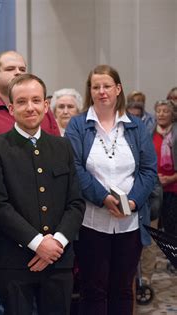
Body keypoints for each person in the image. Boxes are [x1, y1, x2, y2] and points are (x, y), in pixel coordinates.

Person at [0, 73, 85, 315]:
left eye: (36, 100)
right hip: (15, 261)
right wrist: (38, 244)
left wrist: (56, 243)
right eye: (22, 102)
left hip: (59, 259)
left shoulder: (62, 146)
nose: (30, 108)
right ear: (10, 108)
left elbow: (76, 202)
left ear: (46, 105)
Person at [65, 65, 157, 315]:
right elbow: (74, 168)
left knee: (123, 289)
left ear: (118, 89)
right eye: (96, 87)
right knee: (93, 290)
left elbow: (149, 170)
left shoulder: (136, 126)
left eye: (107, 86)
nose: (102, 91)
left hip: (130, 224)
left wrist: (134, 202)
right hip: (92, 222)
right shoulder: (78, 125)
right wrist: (104, 198)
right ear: (90, 91)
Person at [152, 99, 177, 236]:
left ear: (172, 114)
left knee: (171, 225)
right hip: (155, 186)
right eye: (158, 111)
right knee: (157, 224)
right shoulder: (150, 132)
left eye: (165, 111)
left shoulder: (175, 132)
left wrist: (171, 178)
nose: (161, 114)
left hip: (173, 187)